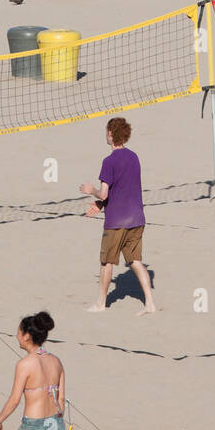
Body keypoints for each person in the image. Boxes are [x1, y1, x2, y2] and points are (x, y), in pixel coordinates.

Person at [79, 117, 155, 314]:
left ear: (111, 134)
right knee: (136, 262)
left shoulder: (109, 161)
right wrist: (101, 204)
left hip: (116, 222)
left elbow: (104, 192)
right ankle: (150, 303)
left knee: (106, 263)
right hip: (137, 218)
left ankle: (101, 304)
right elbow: (123, 188)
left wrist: (91, 190)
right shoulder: (134, 157)